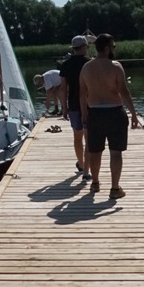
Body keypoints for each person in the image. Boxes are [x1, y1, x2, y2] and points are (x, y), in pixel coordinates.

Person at [79, 33, 139, 197]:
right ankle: (114, 188)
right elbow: (124, 92)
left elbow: (82, 93)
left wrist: (84, 114)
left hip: (95, 113)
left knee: (95, 151)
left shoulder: (86, 68)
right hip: (114, 113)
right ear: (106, 48)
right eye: (113, 46)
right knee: (115, 152)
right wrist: (133, 113)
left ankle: (95, 183)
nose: (113, 49)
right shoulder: (116, 67)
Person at [59, 35, 91, 180]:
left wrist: (64, 108)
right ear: (84, 47)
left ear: (73, 48)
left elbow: (63, 89)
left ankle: (82, 164)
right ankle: (86, 171)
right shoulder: (89, 64)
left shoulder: (65, 65)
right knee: (88, 138)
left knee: (77, 138)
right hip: (90, 105)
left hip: (73, 105)